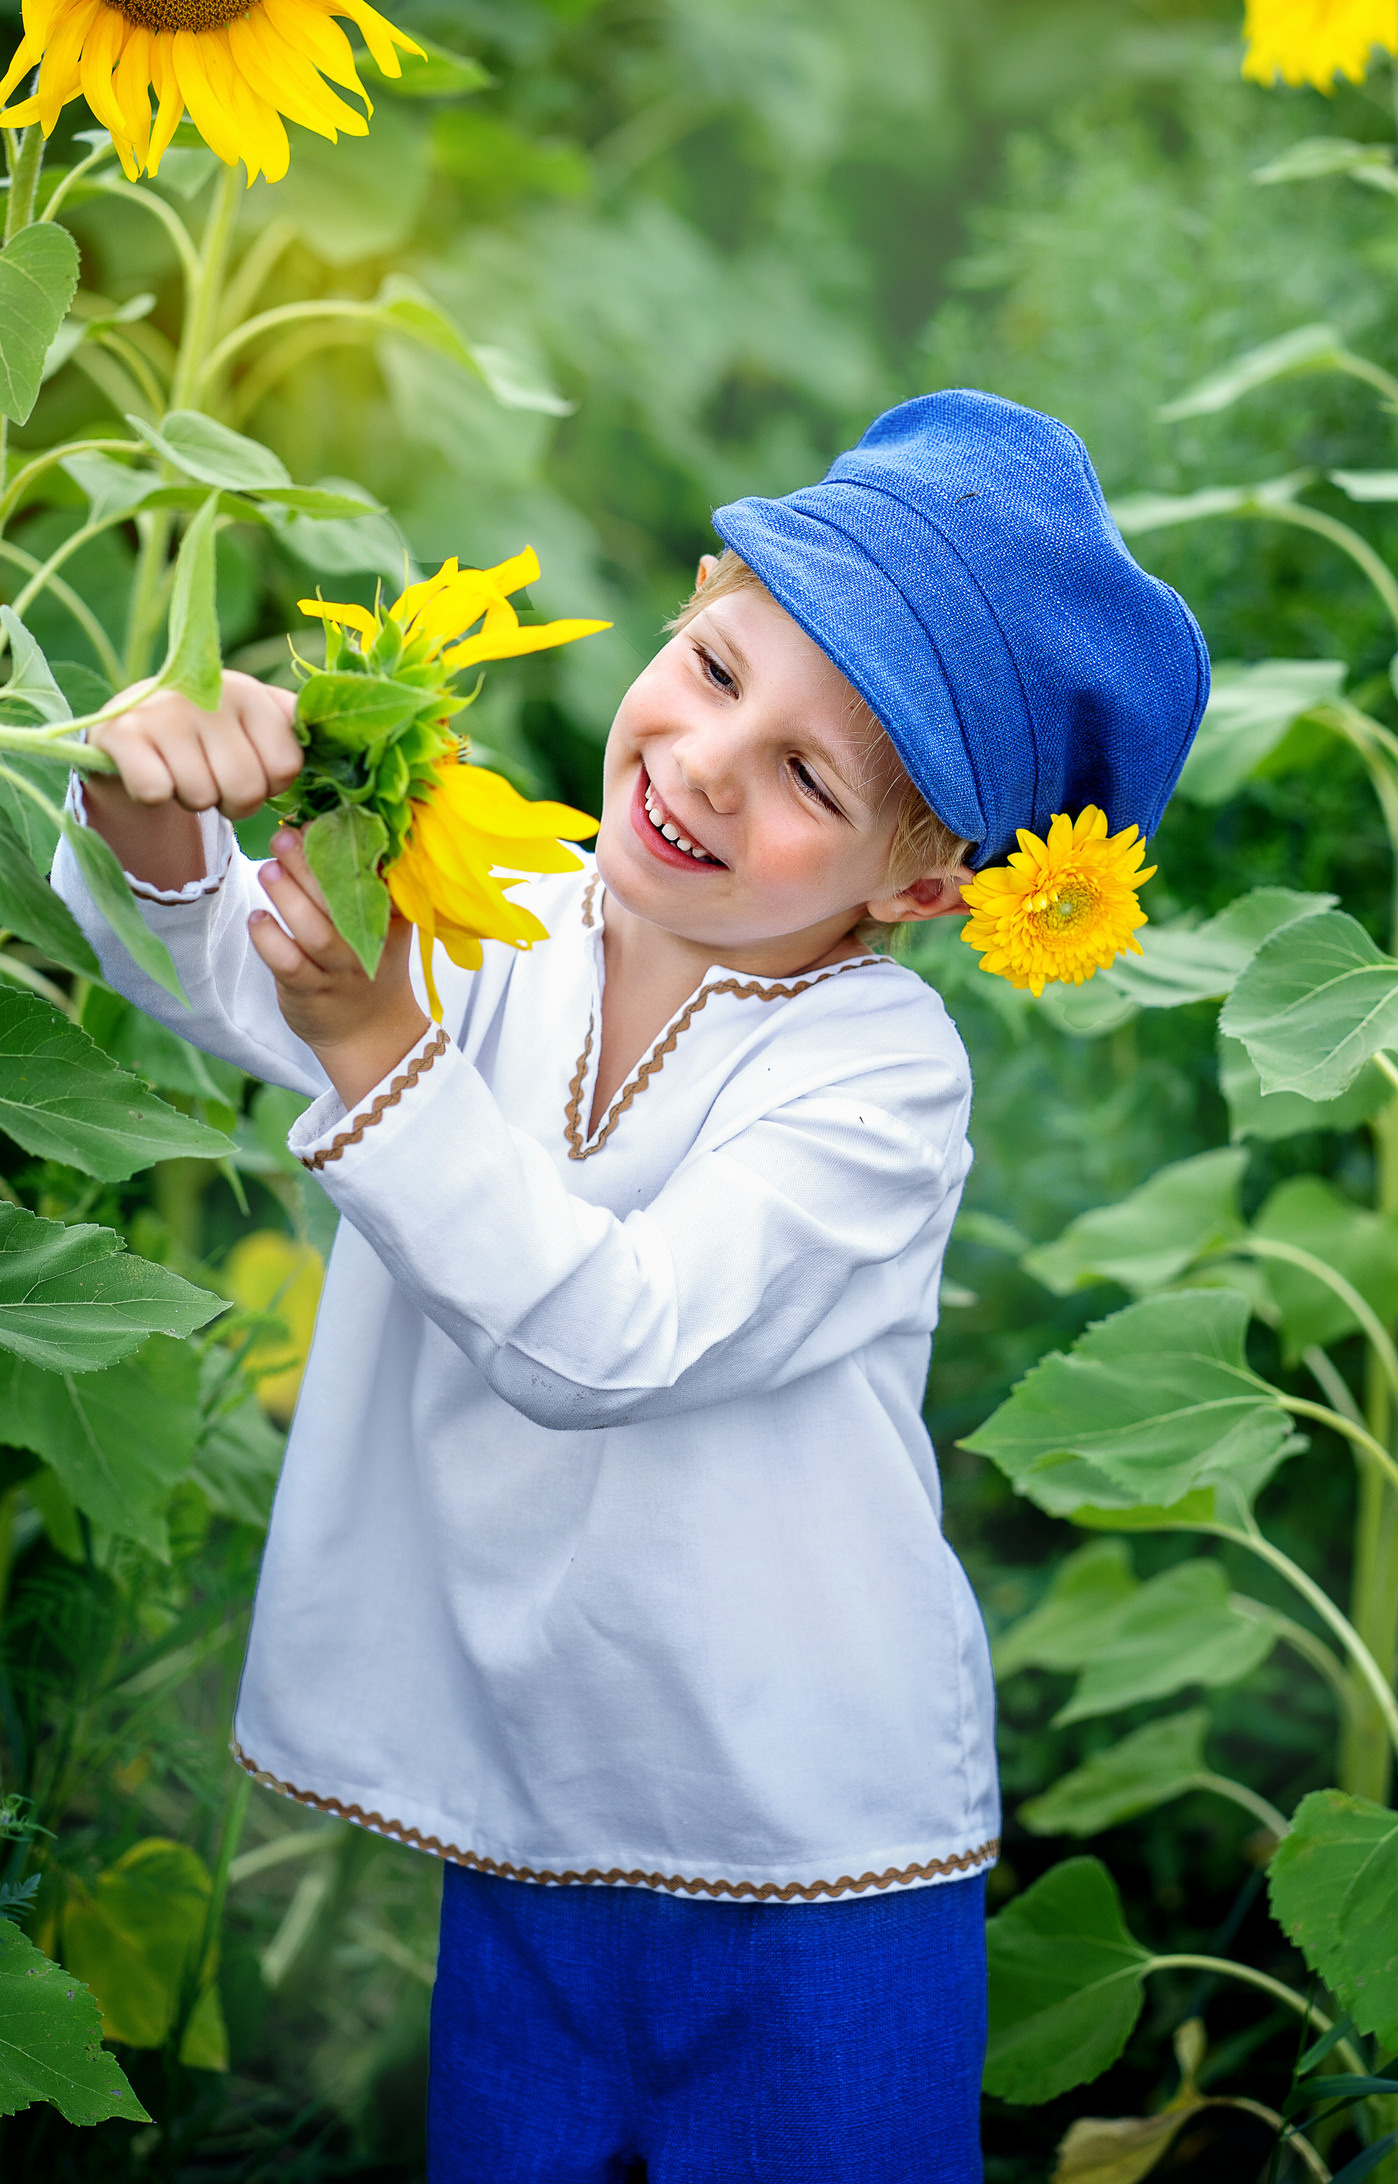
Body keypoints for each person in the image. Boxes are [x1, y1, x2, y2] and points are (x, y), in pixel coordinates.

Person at [56, 388, 1208, 2184]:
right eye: (719, 669)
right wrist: (159, 825)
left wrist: (374, 1043)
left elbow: (610, 1336)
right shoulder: (509, 905)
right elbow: (231, 977)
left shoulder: (876, 1080)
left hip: (809, 1854)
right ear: (687, 596)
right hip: (530, 1809)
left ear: (925, 890)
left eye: (816, 780)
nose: (707, 765)